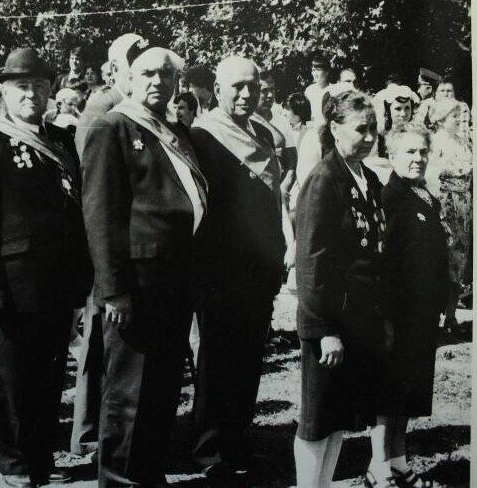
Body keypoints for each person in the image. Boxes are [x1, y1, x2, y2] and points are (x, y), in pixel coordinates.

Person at [0, 48, 92, 488]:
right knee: (13, 372)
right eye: (21, 87)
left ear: (50, 89)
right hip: (13, 280)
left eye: (38, 85)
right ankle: (14, 460)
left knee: (51, 370)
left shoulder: (61, 139)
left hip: (59, 276)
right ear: (3, 92)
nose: (31, 94)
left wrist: (80, 281)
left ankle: (40, 453)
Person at [82, 45, 207, 487]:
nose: (158, 82)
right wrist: (113, 289)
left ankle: (148, 474)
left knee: (162, 387)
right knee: (129, 391)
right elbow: (100, 215)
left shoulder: (174, 131)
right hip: (135, 284)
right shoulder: (111, 127)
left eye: (166, 75)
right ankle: (119, 481)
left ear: (177, 83)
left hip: (174, 281)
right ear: (131, 79)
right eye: (148, 73)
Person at [191, 56, 284, 483]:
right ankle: (210, 451)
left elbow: (274, 201)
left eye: (253, 86)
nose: (246, 94)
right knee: (217, 361)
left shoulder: (263, 131)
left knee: (249, 359)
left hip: (260, 266)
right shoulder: (202, 135)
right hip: (221, 269)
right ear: (217, 87)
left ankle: (238, 438)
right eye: (236, 87)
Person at [293, 90, 393, 488]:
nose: (369, 138)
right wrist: (324, 330)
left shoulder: (365, 178)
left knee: (338, 417)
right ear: (335, 129)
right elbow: (312, 263)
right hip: (330, 324)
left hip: (357, 319)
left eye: (374, 129)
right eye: (360, 129)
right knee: (317, 419)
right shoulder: (323, 181)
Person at [70, 32, 145, 459]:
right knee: (98, 339)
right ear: (114, 69)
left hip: (132, 247)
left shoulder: (142, 110)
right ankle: (87, 432)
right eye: (129, 62)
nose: (136, 69)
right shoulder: (103, 106)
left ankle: (112, 430)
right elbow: (94, 185)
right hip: (106, 245)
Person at [380, 123, 448, 488]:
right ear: (391, 156)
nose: (418, 158)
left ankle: (398, 462)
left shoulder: (424, 196)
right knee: (390, 393)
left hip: (422, 313)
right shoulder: (390, 198)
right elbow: (386, 262)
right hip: (398, 314)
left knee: (406, 394)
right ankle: (381, 466)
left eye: (422, 151)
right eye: (409, 151)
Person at [426, 98, 472, 335]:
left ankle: (452, 315)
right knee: (440, 258)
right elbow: (430, 177)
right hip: (443, 204)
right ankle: (433, 315)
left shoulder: (465, 143)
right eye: (454, 116)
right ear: (442, 120)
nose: (459, 120)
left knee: (458, 261)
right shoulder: (434, 143)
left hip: (463, 206)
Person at [304, 51, 332, 124]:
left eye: (318, 70)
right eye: (313, 70)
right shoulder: (309, 90)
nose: (315, 74)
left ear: (327, 72)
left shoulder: (333, 90)